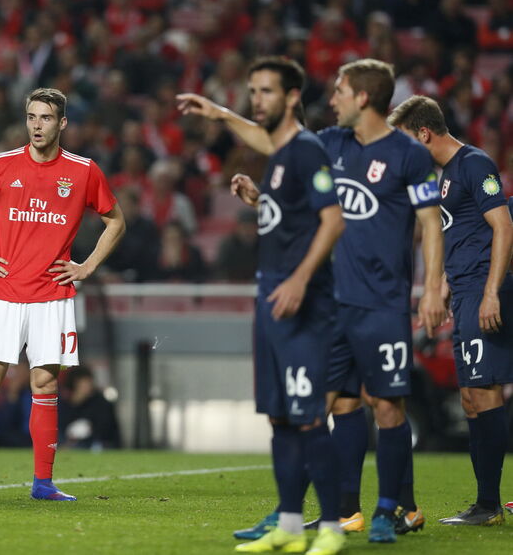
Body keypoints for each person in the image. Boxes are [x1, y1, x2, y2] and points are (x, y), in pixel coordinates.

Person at [179, 58, 444, 543]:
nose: (333, 97)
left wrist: (431, 287)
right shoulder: (331, 143)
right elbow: (278, 146)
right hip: (332, 299)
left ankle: (389, 510)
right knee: (324, 406)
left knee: (387, 406)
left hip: (382, 301)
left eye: (341, 90)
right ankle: (320, 512)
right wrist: (223, 117)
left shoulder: (409, 154)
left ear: (363, 97)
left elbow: (429, 221)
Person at [0, 87, 125, 501]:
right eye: (31, 117)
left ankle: (43, 483)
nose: (37, 125)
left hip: (52, 295)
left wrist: (87, 267)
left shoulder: (83, 171)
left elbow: (116, 221)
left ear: (62, 123)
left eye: (46, 118)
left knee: (45, 386)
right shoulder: (0, 164)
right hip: (4, 293)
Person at [205, 57, 347, 554]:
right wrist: (260, 199)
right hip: (269, 298)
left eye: (266, 91)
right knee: (280, 417)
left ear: (291, 97)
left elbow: (333, 220)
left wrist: (300, 280)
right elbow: (293, 217)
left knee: (308, 416)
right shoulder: (281, 154)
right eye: (252, 91)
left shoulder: (307, 150)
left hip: (300, 301)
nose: (257, 99)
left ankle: (331, 527)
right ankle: (289, 524)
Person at [389, 96, 511, 526]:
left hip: (482, 289)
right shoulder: (445, 176)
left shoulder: (474, 164)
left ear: (424, 134)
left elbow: (503, 226)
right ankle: (485, 503)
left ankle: (489, 505)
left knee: (485, 392)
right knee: (470, 398)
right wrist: (440, 286)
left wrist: (491, 292)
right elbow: (460, 235)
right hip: (463, 292)